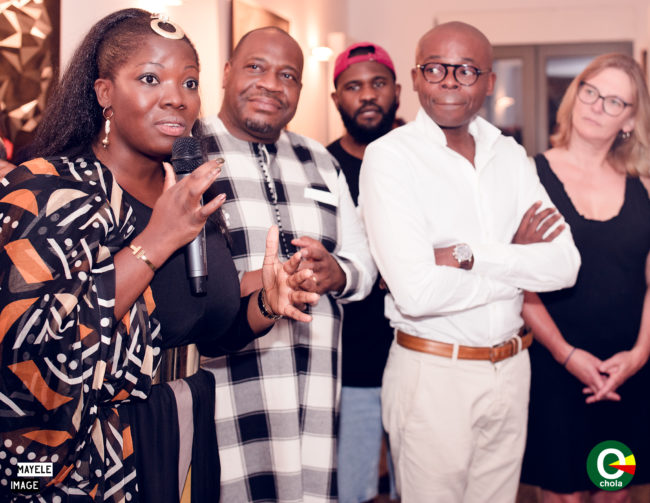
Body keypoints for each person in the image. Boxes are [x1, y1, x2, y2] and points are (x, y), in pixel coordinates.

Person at [0, 9, 317, 502]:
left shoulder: (189, 194)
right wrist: (157, 239)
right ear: (104, 93)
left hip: (186, 421)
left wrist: (265, 301)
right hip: (94, 444)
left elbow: (203, 331)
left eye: (189, 82)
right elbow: (39, 350)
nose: (176, 97)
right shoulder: (46, 190)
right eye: (151, 78)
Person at [359, 21, 581, 502]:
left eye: (465, 70)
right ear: (415, 77)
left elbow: (565, 265)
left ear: (489, 82)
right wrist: (517, 265)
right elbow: (417, 293)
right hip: (433, 374)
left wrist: (470, 256)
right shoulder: (390, 158)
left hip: (512, 369)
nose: (449, 82)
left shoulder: (510, 155)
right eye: (435, 68)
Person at [200, 27, 375, 503]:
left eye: (287, 75)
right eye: (255, 67)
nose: (271, 84)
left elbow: (362, 262)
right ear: (226, 72)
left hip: (315, 383)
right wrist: (262, 283)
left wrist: (338, 272)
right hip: (225, 386)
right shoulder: (188, 153)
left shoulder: (320, 159)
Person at [520, 53, 650, 502]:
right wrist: (566, 354)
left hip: (625, 372)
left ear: (629, 120)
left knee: (614, 488)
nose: (597, 105)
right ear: (575, 96)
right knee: (564, 494)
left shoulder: (644, 185)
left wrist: (639, 355)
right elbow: (518, 280)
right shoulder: (528, 176)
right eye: (591, 92)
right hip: (553, 369)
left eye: (614, 101)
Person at [327, 41, 400, 503]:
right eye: (354, 87)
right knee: (351, 490)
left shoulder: (421, 159)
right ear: (337, 98)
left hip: (421, 355)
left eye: (378, 83)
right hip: (350, 362)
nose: (368, 95)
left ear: (397, 91)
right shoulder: (319, 167)